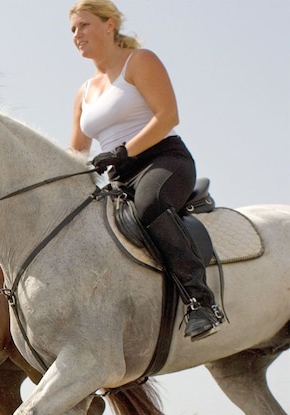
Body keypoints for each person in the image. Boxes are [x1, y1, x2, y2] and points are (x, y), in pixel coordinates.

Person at [68, 0, 224, 341]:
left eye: (84, 25)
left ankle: (200, 301)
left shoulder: (139, 61)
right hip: (118, 176)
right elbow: (77, 152)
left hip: (163, 161)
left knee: (149, 204)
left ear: (109, 25)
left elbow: (167, 116)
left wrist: (124, 152)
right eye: (73, 29)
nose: (77, 34)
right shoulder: (83, 91)